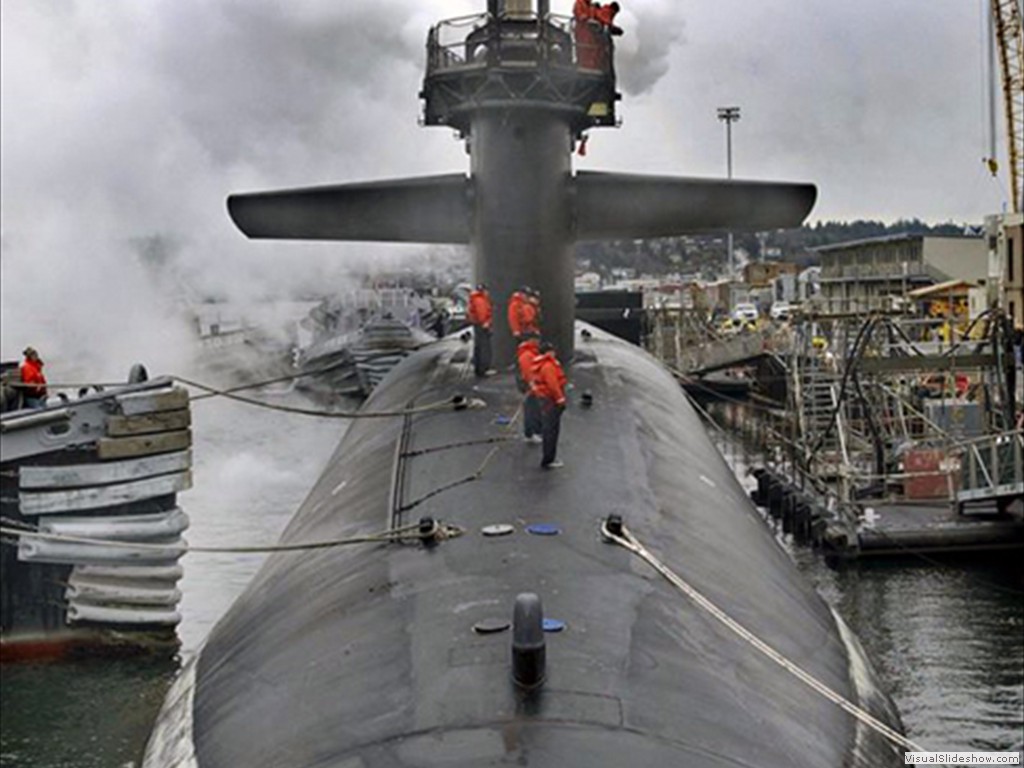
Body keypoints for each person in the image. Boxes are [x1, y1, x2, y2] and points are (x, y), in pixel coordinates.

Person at [530, 341, 568, 468]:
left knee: (548, 428)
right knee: (551, 430)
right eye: (552, 351)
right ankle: (548, 460)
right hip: (551, 401)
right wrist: (560, 399)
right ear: (548, 352)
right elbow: (553, 385)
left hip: (545, 400)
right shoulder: (548, 366)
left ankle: (548, 458)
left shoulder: (539, 364)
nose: (554, 353)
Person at [516, 335, 543, 443]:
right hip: (530, 385)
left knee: (535, 408)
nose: (539, 342)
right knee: (531, 409)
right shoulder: (527, 355)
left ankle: (537, 430)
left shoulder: (532, 352)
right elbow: (528, 372)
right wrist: (532, 385)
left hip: (534, 385)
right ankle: (530, 433)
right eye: (537, 340)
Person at [467, 283, 495, 377]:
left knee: (478, 346)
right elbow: (482, 313)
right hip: (482, 325)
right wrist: (485, 323)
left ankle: (479, 368)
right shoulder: (480, 300)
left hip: (478, 325)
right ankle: (484, 369)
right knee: (484, 347)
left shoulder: (475, 299)